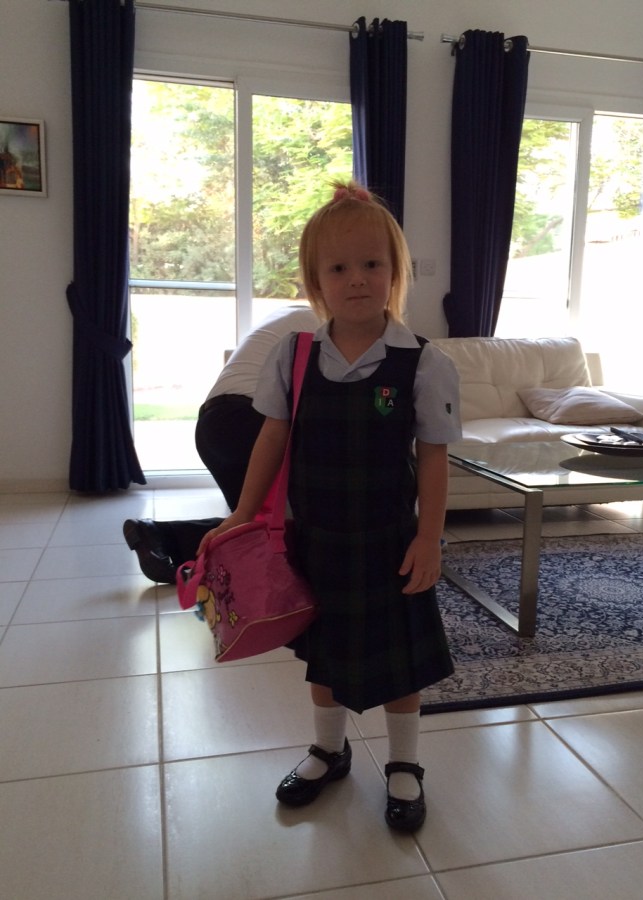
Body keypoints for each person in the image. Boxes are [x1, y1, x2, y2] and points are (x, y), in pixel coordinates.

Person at [197, 180, 461, 832]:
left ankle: (404, 763)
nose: (357, 279)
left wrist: (429, 538)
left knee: (398, 660)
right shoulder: (293, 355)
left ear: (395, 272)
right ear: (315, 281)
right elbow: (272, 437)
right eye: (338, 268)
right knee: (324, 653)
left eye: (372, 264)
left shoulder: (423, 363)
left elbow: (432, 457)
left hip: (388, 540)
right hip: (314, 538)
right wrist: (242, 514)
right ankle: (327, 749)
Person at [123, 304, 319, 583]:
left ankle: (160, 537)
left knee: (250, 526)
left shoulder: (288, 315)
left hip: (211, 425)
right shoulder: (321, 326)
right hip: (254, 420)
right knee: (289, 521)